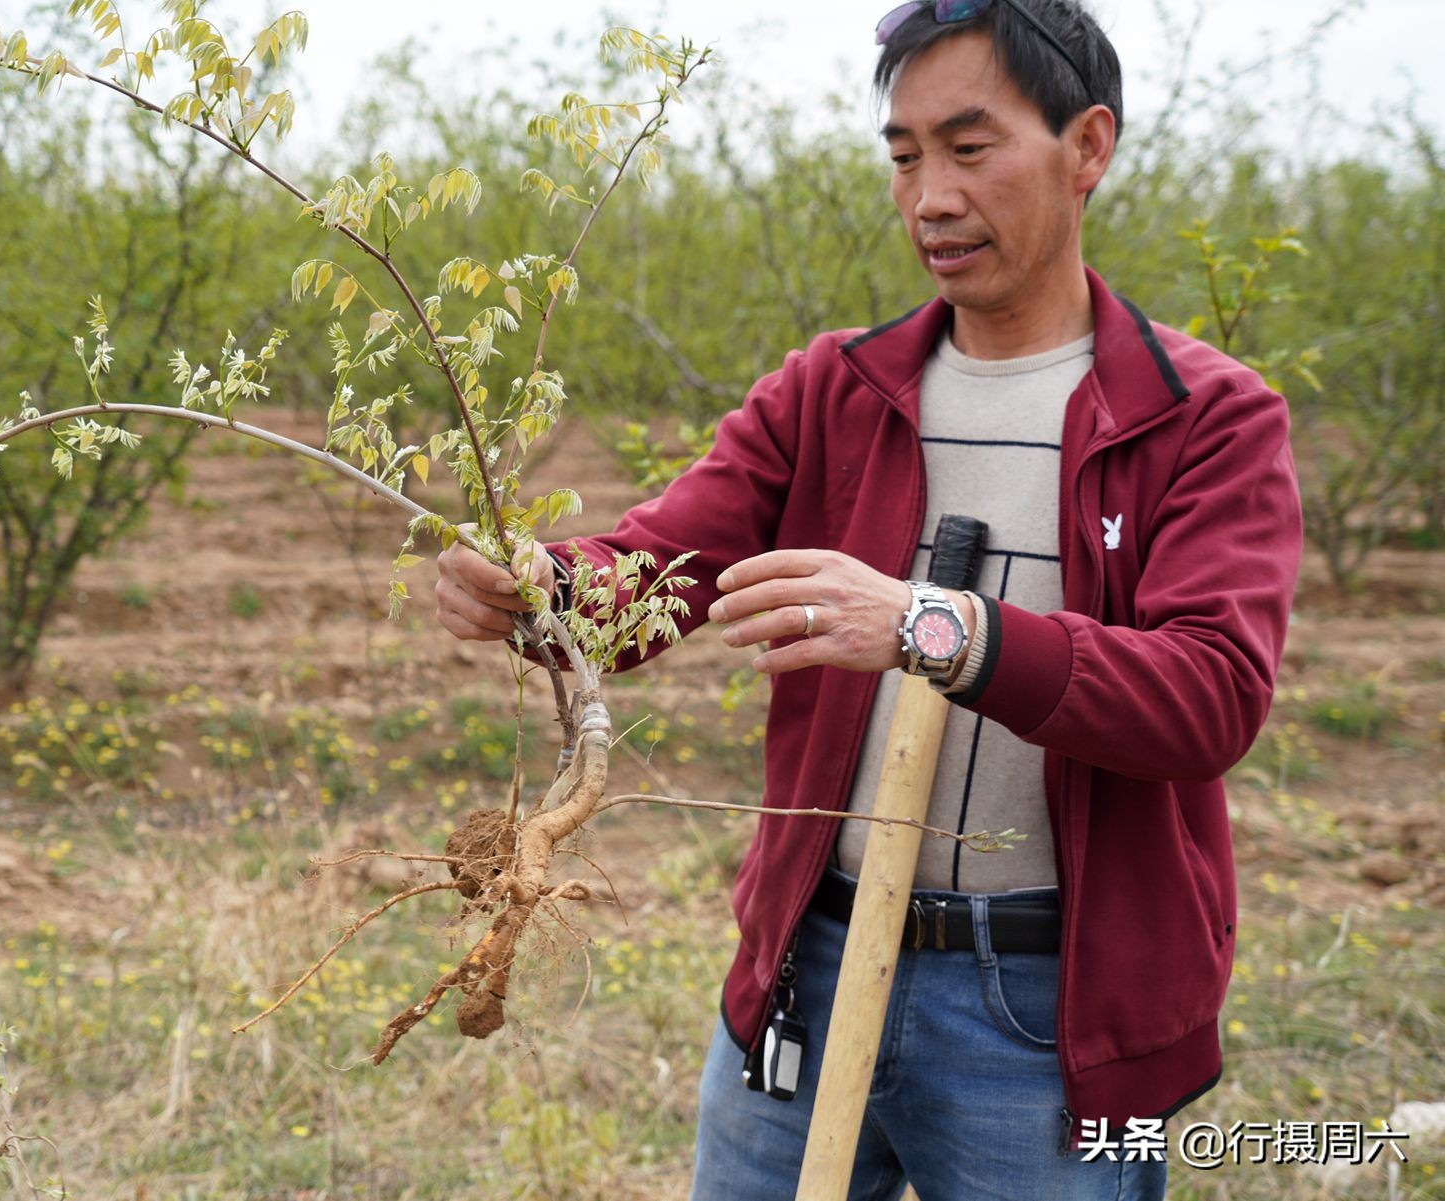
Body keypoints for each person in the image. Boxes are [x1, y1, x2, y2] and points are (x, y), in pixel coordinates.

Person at [432, 1, 1301, 1196]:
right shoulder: (836, 389)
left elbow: (1209, 699)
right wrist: (537, 588)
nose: (931, 196)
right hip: (811, 962)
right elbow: (655, 573)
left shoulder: (1202, 416)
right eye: (903, 158)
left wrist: (928, 626)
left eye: (970, 146)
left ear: (1088, 146)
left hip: (1051, 1011)